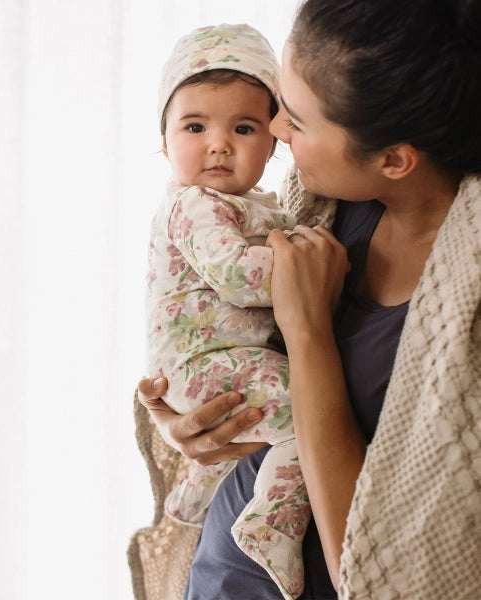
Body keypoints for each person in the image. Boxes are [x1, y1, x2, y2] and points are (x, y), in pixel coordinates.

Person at [133, 1, 481, 599]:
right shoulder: (324, 204)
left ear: (395, 159)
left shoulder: (465, 301)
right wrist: (191, 428)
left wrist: (308, 329)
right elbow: (217, 314)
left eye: (293, 118)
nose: (274, 131)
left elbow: (379, 569)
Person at [146, 23, 313, 598]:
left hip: (216, 360)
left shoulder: (253, 205)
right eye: (196, 127)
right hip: (206, 364)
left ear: (273, 142)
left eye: (243, 128)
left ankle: (197, 489)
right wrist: (309, 268)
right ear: (164, 142)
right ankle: (269, 525)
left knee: (268, 399)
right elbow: (240, 278)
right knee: (305, 409)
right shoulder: (195, 206)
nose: (219, 143)